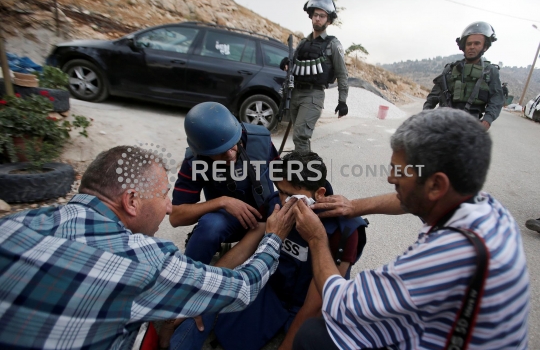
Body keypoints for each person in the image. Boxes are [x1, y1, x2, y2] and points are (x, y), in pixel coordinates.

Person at [0, 145, 298, 350]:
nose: (168, 207)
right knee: (196, 314)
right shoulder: (142, 259)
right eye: (163, 195)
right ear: (131, 201)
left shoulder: (15, 224)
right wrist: (273, 237)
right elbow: (243, 287)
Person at [292, 109, 530, 349]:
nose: (390, 179)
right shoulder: (484, 208)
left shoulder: (449, 255)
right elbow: (409, 200)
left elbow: (343, 303)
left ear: (436, 185)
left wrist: (316, 239)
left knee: (313, 336)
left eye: (399, 171)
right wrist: (354, 206)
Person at [169, 151, 367, 350]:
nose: (283, 201)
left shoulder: (343, 231)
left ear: (320, 194)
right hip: (273, 291)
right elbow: (243, 249)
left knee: (316, 339)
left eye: (292, 195)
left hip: (311, 302)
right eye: (280, 191)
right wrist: (204, 288)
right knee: (211, 311)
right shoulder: (275, 204)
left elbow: (316, 303)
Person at [169, 102, 279, 264]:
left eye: (233, 144)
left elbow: (285, 180)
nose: (229, 154)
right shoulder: (195, 162)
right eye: (219, 152)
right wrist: (222, 202)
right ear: (202, 151)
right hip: (230, 221)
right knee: (210, 226)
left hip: (268, 215)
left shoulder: (260, 140)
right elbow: (176, 217)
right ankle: (189, 279)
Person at [279, 0, 349, 153]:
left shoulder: (333, 44)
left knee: (301, 136)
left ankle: (302, 172)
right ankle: (304, 169)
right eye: (315, 15)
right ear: (311, 16)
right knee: (299, 137)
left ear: (329, 20)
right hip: (295, 92)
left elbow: (342, 74)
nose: (317, 18)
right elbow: (294, 63)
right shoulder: (304, 43)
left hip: (313, 95)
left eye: (322, 16)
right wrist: (286, 63)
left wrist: (342, 100)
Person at [423, 21, 504, 130]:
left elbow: (496, 99)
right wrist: (425, 115)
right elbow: (433, 97)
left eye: (477, 43)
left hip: (470, 126)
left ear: (485, 47)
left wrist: (487, 120)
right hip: (443, 122)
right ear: (463, 46)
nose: (472, 47)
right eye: (469, 44)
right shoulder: (450, 69)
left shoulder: (490, 72)